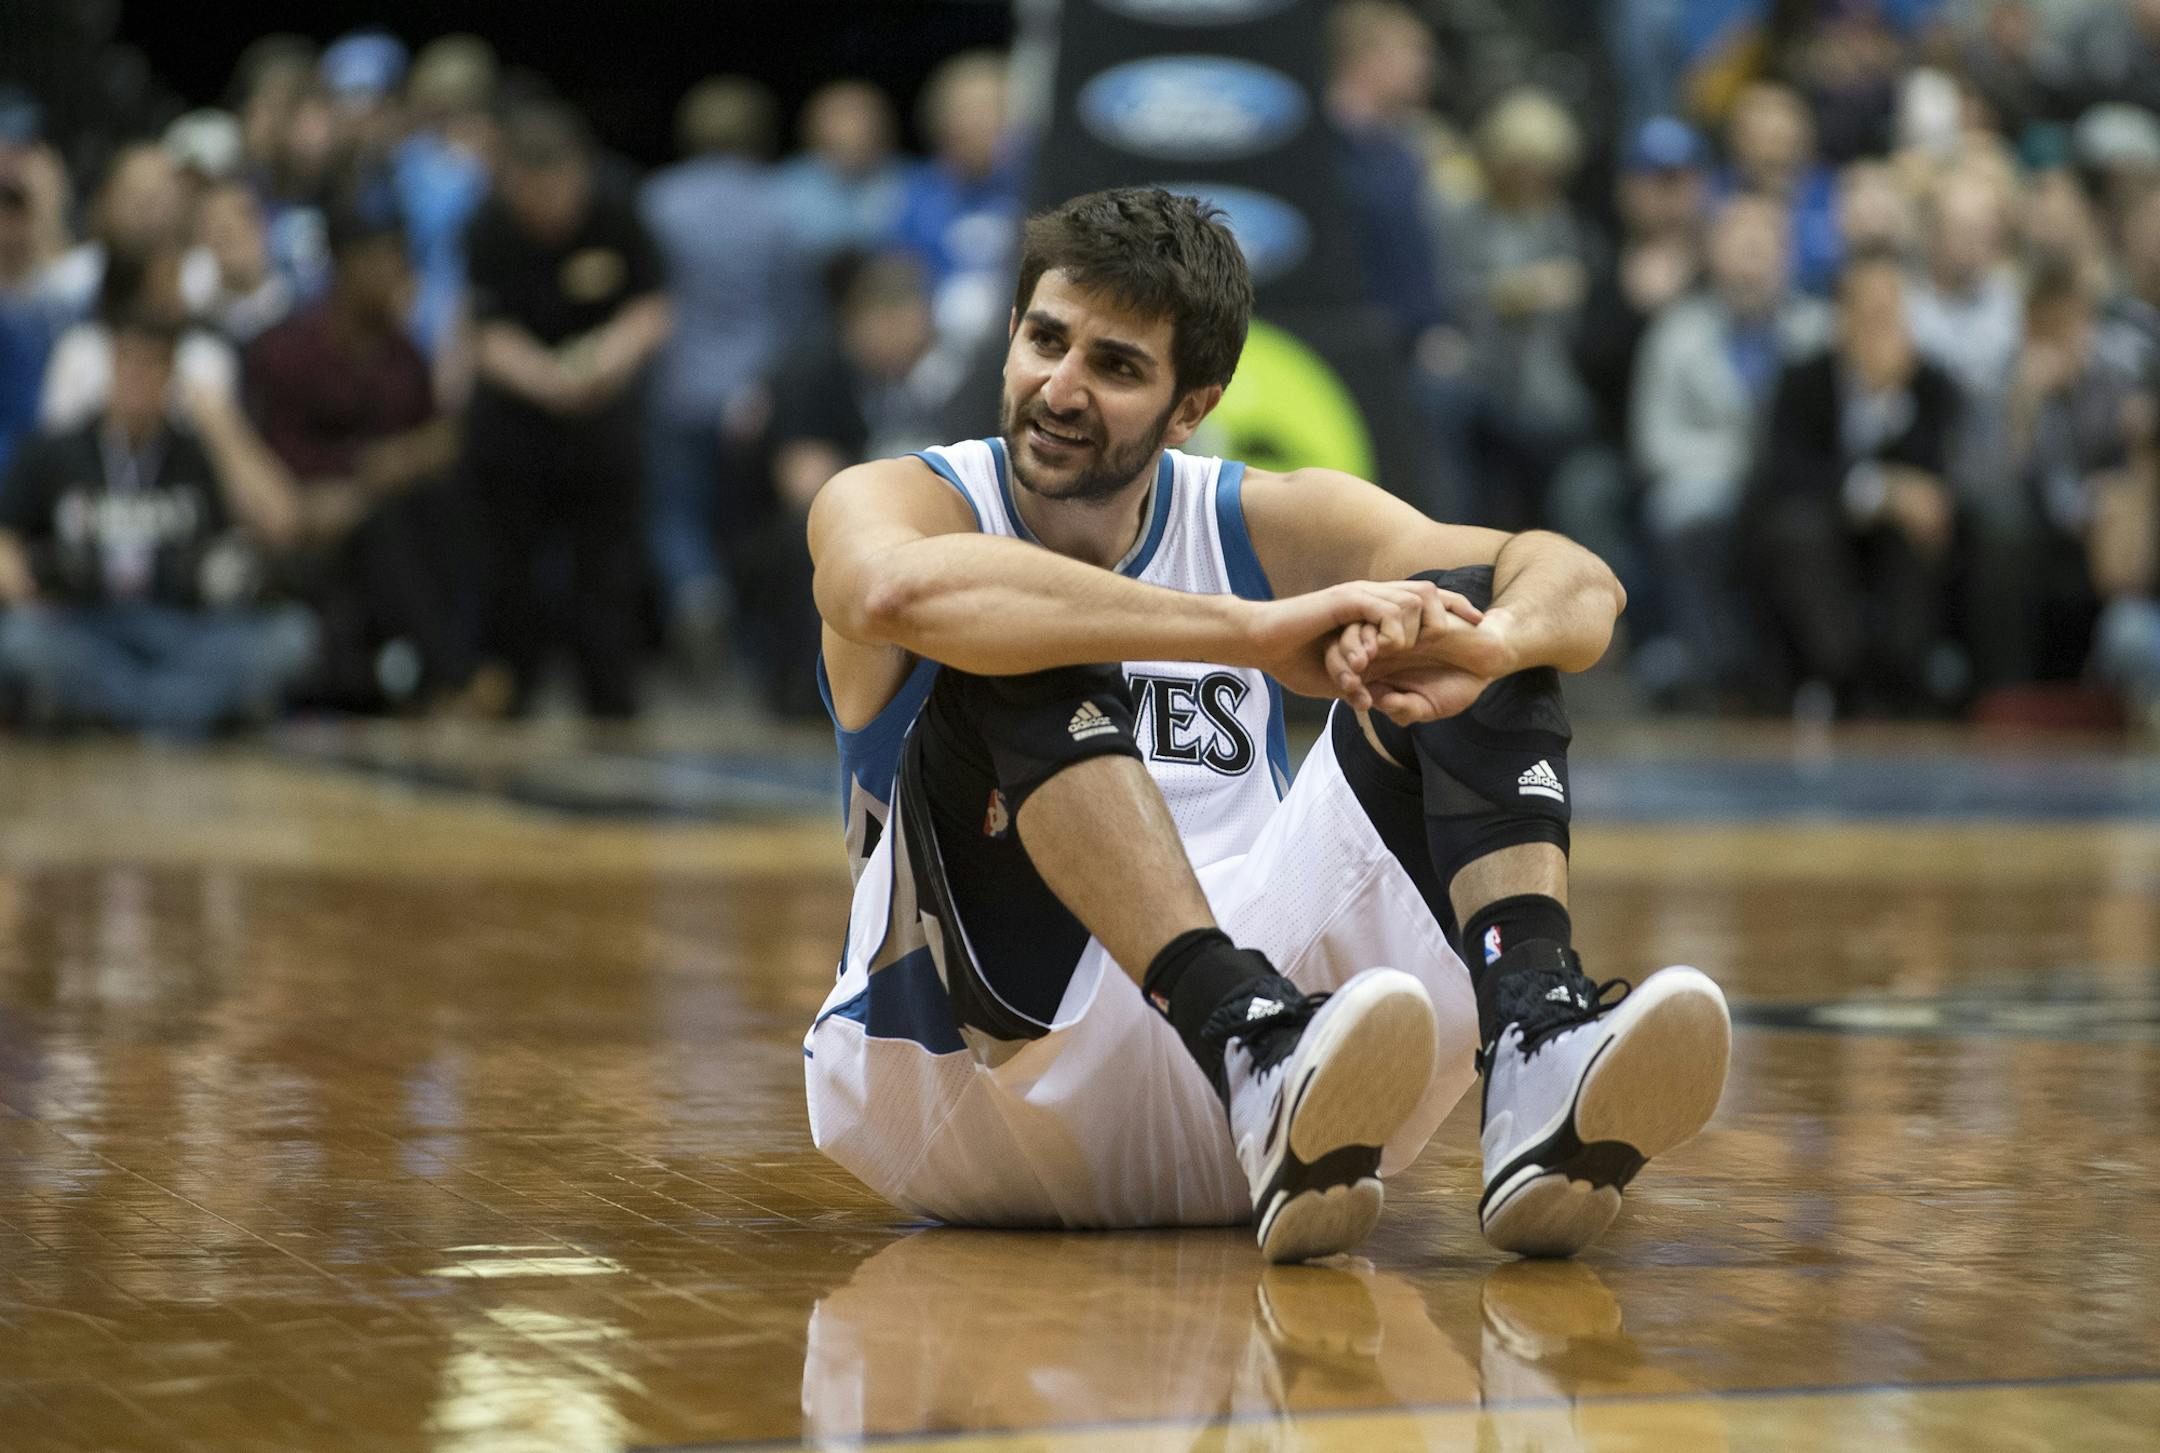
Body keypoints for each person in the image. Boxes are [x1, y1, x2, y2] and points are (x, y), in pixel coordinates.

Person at [802, 188, 1730, 1264]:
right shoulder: (907, 500)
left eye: (1114, 365)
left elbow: (1581, 580)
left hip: (1280, 1103)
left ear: (1189, 406)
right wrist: (1247, 631)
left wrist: (1494, 639)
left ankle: (1536, 1042)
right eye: (1045, 340)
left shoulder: (1254, 516)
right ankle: (1239, 1028)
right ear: (1009, 337)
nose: (1060, 386)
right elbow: (885, 597)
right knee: (1019, 631)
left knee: (1457, 602)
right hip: (971, 1085)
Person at [0, 310, 313, 734]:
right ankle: (173, 717)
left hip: (188, 631)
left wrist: (221, 424)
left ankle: (130, 716)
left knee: (292, 635)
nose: (137, 377)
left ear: (172, 376)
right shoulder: (57, 450)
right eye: (127, 361)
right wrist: (21, 580)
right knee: (21, 640)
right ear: (108, 366)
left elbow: (283, 524)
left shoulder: (199, 450)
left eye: (153, 365)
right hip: (91, 628)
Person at [462, 102, 670, 718]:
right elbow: (483, 330)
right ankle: (510, 693)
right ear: (512, 183)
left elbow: (651, 306)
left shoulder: (617, 211)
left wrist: (605, 360)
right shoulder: (487, 227)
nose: (551, 206)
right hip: (515, 422)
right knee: (509, 568)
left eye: (561, 187)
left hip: (602, 420)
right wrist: (545, 379)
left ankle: (611, 701)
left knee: (607, 568)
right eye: (536, 192)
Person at [247, 207, 463, 709]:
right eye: (385, 263)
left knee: (447, 507)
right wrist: (359, 470)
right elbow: (276, 449)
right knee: (380, 526)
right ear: (347, 267)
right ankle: (449, 677)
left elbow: (435, 433)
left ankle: (463, 667)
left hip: (398, 508)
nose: (397, 278)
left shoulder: (405, 353)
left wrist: (413, 456)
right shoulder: (287, 350)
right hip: (307, 506)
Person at [1747, 252, 1961, 715]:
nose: (1882, 326)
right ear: (1842, 316)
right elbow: (1784, 472)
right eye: (1871, 311)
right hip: (1825, 528)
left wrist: (1888, 401)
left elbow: (1939, 475)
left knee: (1926, 529)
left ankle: (1905, 682)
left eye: (1893, 311)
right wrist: (1882, 492)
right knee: (1797, 527)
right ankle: (1837, 678)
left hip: (1896, 543)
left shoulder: (1931, 384)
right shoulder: (1803, 378)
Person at [641, 76, 794, 682]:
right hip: (753, 388)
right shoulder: (782, 207)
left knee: (674, 512)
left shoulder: (659, 201)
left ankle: (695, 594)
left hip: (676, 383)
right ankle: (749, 647)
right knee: (746, 521)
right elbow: (791, 314)